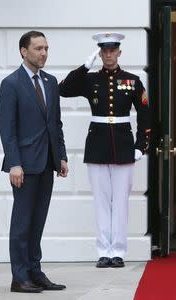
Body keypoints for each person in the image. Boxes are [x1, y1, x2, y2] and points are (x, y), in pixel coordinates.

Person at [59, 32, 150, 268]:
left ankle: (118, 251)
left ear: (119, 52)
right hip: (98, 144)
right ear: (100, 53)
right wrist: (84, 66)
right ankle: (103, 251)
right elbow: (63, 89)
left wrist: (141, 146)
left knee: (120, 201)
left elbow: (145, 115)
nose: (108, 54)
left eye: (112, 50)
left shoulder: (132, 80)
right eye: (104, 51)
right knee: (101, 201)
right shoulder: (89, 79)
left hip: (123, 145)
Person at [0, 31, 68, 293]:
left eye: (46, 48)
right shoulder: (11, 84)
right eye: (38, 48)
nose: (44, 53)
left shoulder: (50, 82)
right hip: (24, 166)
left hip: (47, 162)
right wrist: (14, 163)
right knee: (22, 223)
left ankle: (35, 272)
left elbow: (55, 123)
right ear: (23, 51)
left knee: (38, 222)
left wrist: (60, 155)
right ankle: (19, 277)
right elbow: (8, 130)